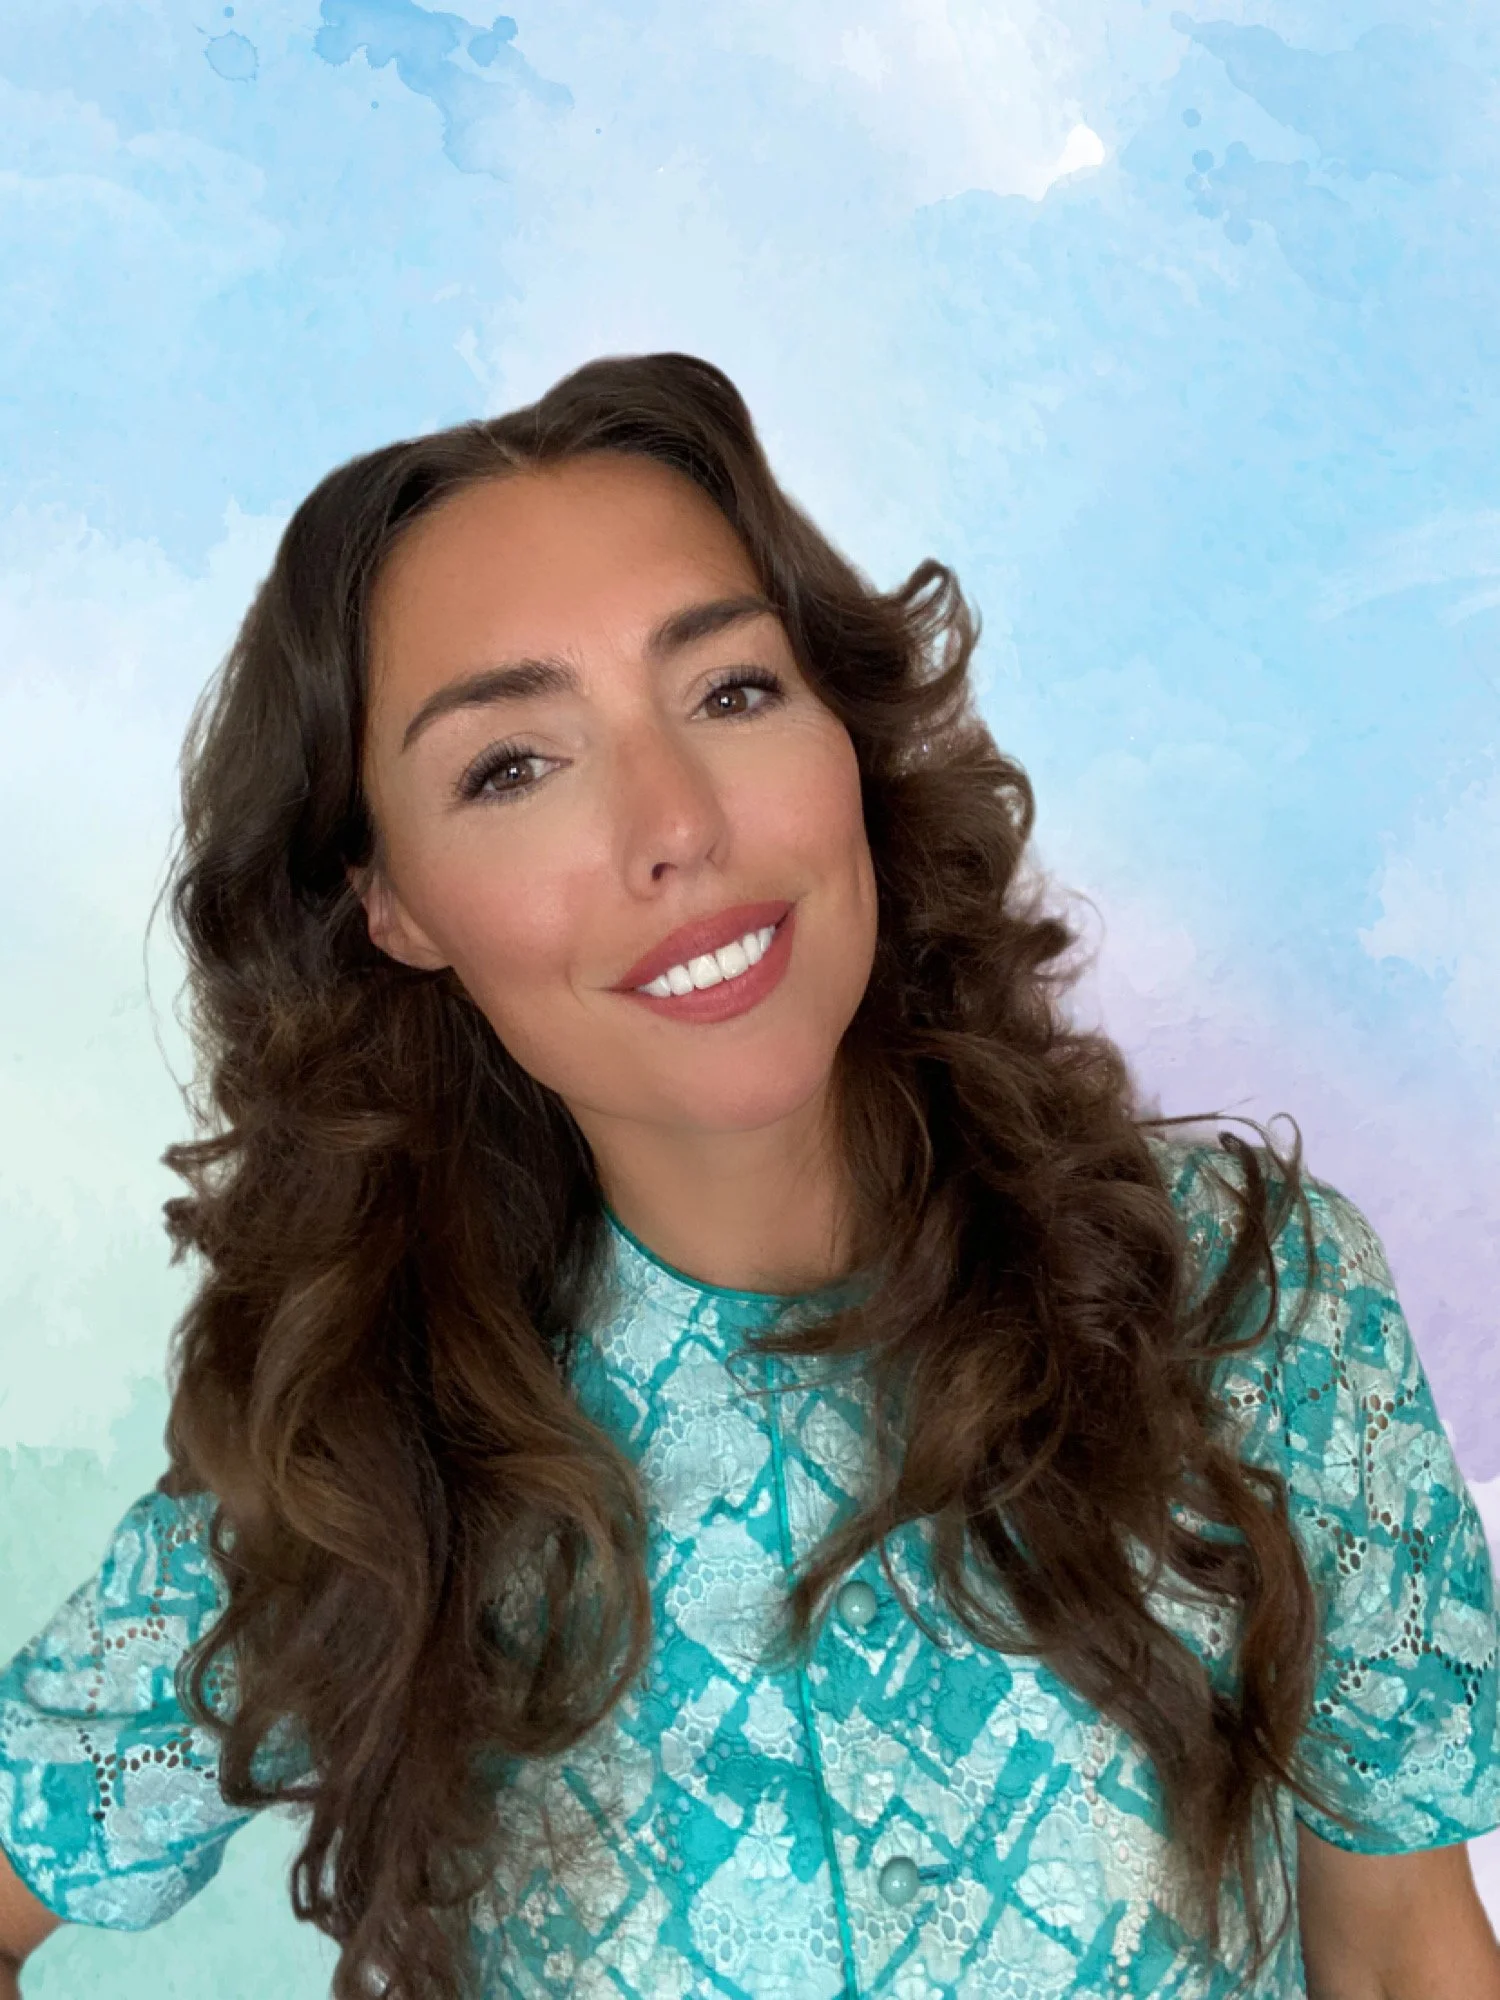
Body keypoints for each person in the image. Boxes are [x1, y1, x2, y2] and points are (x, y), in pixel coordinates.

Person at [0, 352, 1497, 2000]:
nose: (676, 825)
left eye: (728, 693)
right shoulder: (344, 1457)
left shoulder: (1243, 1298)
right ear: (392, 907)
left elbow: (1405, 1961)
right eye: (512, 765)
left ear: (845, 734)